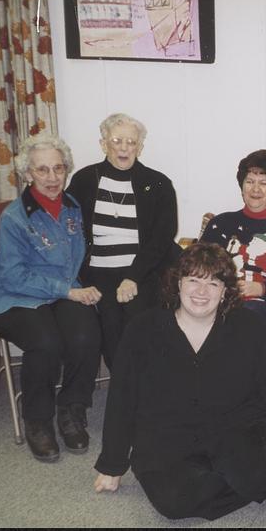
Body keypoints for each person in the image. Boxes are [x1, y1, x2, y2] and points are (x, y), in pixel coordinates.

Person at [93, 242, 266, 521]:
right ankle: (253, 480)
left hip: (235, 430)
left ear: (225, 290)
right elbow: (122, 397)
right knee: (175, 504)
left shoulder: (250, 327)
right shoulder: (143, 329)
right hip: (166, 439)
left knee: (263, 472)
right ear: (177, 283)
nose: (202, 292)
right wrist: (112, 464)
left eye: (213, 283)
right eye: (193, 280)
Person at [0, 133, 102, 463]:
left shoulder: (73, 207)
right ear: (28, 174)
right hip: (16, 299)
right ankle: (38, 420)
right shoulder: (13, 217)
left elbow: (79, 256)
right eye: (42, 170)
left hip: (63, 293)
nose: (52, 178)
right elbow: (11, 275)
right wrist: (67, 291)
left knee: (86, 333)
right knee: (47, 343)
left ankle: (72, 409)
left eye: (58, 168)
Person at [67, 113, 181, 370]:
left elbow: (162, 237)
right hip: (96, 272)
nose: (124, 148)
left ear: (140, 147)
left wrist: (133, 276)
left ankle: (144, 387)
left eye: (131, 142)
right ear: (103, 143)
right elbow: (69, 229)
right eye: (117, 140)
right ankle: (125, 388)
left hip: (142, 270)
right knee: (110, 320)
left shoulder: (158, 184)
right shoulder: (84, 180)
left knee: (141, 319)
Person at [200, 149, 266, 320]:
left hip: (261, 305)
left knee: (243, 314)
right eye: (250, 181)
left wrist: (262, 288)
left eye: (263, 183)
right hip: (217, 298)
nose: (255, 189)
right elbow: (200, 267)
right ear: (242, 187)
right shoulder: (220, 224)